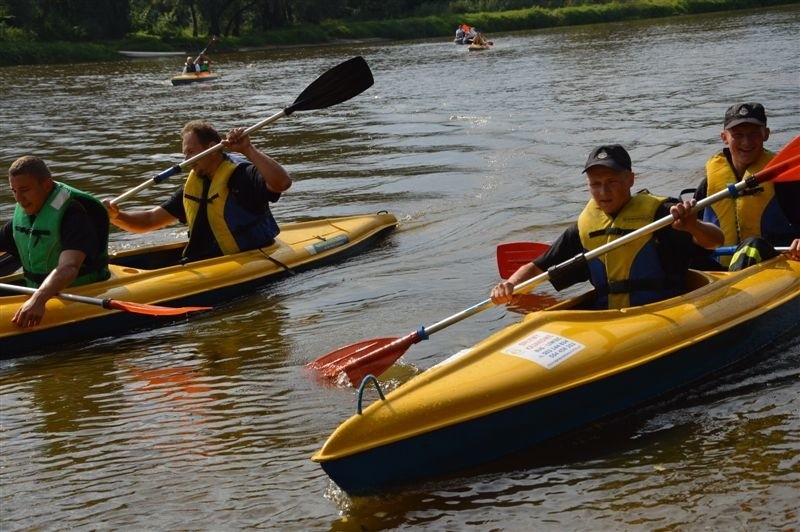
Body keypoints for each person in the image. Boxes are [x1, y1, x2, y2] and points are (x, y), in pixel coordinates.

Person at [491, 144, 724, 310]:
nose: (603, 192)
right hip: (608, 320)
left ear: (630, 179)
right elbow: (537, 267)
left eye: (611, 182)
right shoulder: (584, 228)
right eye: (596, 184)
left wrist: (693, 226)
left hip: (662, 312)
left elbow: (716, 241)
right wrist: (510, 284)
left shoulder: (663, 214)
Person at [104, 120, 292, 263]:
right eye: (184, 154)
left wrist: (248, 149)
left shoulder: (242, 176)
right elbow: (149, 221)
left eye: (190, 152)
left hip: (248, 260)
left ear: (211, 149)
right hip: (203, 262)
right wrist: (116, 215)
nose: (186, 160)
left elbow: (282, 183)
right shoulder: (195, 185)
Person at [1, 156, 110, 327]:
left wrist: (38, 299)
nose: (19, 199)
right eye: (14, 191)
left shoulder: (74, 216)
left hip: (81, 290)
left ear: (46, 185)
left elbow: (69, 267)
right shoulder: (27, 212)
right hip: (36, 288)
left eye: (24, 190)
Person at [693, 102, 800, 269]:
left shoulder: (784, 181)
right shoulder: (707, 185)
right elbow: (695, 233)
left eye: (754, 134)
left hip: (775, 265)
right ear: (724, 137)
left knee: (753, 245)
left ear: (766, 134)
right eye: (738, 135)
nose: (746, 142)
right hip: (719, 273)